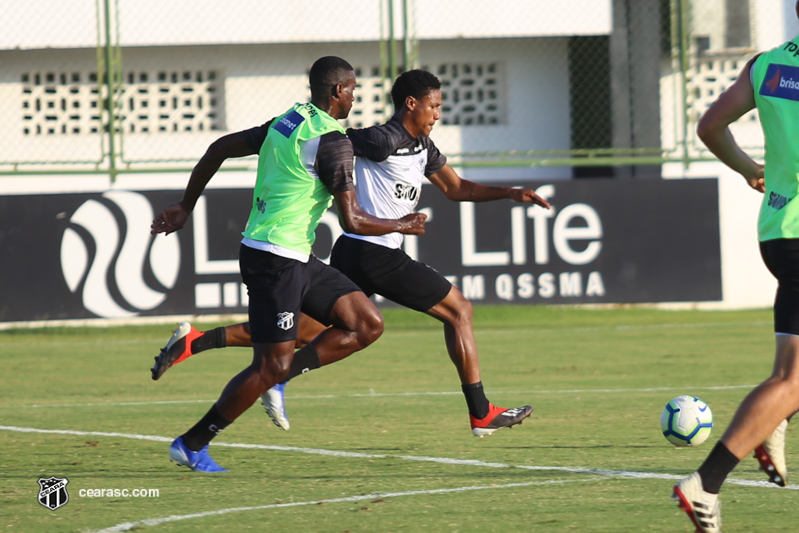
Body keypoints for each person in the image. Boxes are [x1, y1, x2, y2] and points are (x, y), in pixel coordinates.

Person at [152, 69, 552, 439]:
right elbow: (337, 142)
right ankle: (480, 412)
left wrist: (511, 193)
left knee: (301, 332)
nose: (438, 114)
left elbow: (457, 188)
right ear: (412, 103)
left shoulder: (423, 147)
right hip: (375, 252)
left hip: (354, 251)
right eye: (435, 106)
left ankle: (197, 343)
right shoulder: (383, 138)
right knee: (459, 310)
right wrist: (314, 143)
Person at [150, 56, 427, 472]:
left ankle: (275, 375)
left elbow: (219, 148)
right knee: (269, 365)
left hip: (294, 255)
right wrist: (400, 224)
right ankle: (192, 443)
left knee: (366, 323)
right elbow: (353, 220)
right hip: (274, 260)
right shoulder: (333, 141)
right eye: (352, 89)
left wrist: (184, 206)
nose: (355, 96)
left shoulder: (289, 121)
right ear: (337, 92)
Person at [671, 7, 799, 531]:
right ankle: (706, 483)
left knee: (792, 371)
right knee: (794, 379)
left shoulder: (766, 65)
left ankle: (773, 422)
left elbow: (709, 126)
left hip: (778, 230)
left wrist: (750, 169)